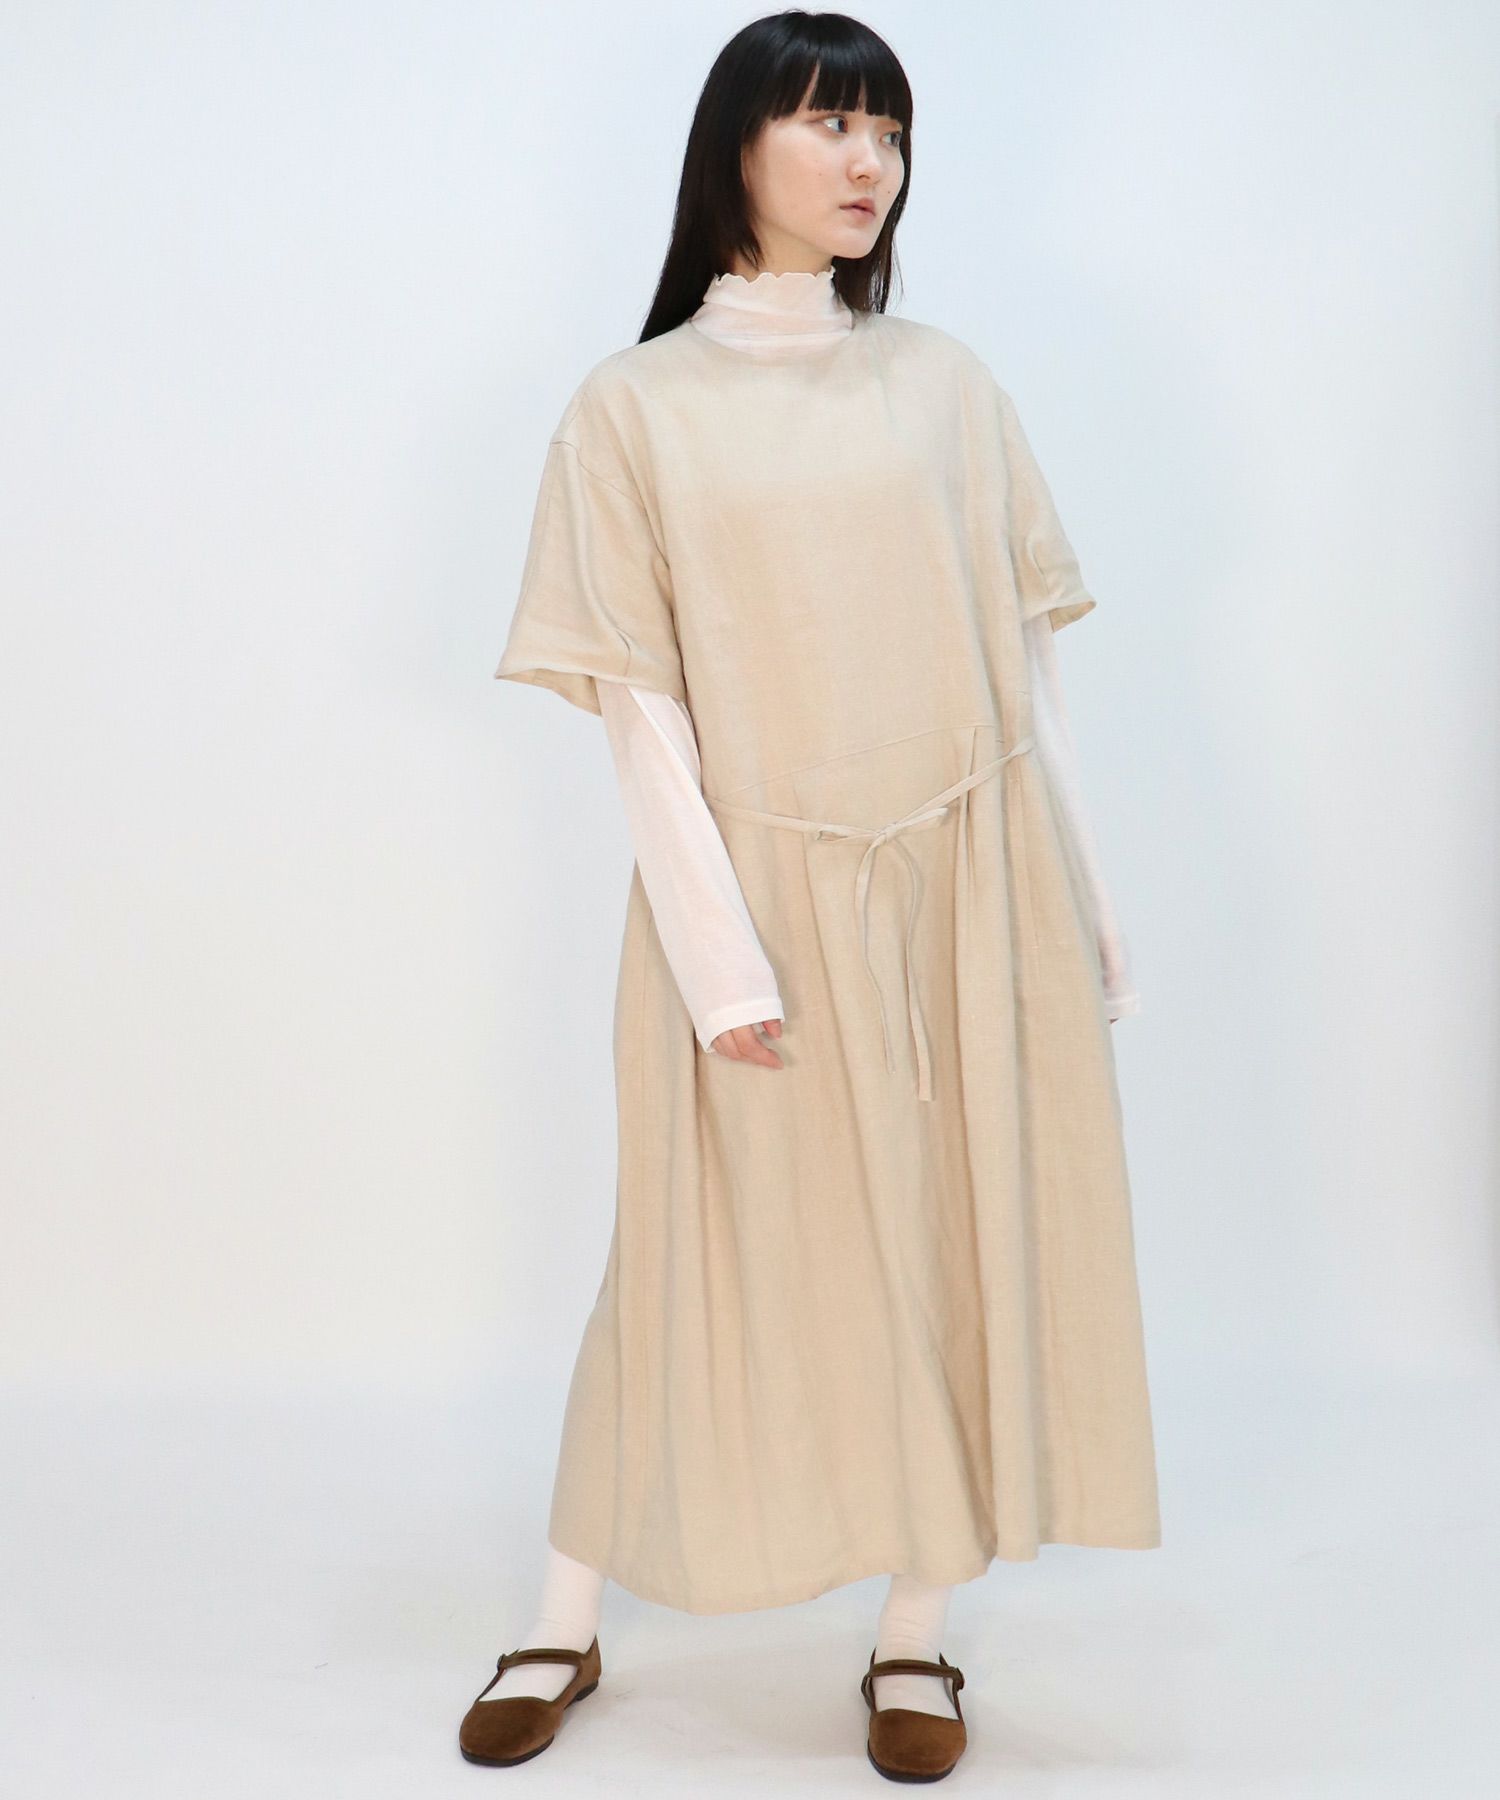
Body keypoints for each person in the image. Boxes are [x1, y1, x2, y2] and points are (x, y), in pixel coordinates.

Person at [460, 11, 1160, 1782]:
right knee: (689, 1261)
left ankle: (914, 1633)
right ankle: (564, 1613)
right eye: (833, 124)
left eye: (891, 133)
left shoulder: (945, 385)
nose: (869, 164)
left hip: (970, 891)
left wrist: (1082, 903)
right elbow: (641, 709)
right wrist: (722, 964)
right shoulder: (632, 410)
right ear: (736, 149)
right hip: (756, 900)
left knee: (954, 1242)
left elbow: (1025, 672)